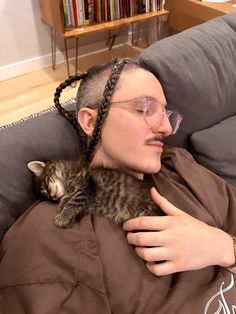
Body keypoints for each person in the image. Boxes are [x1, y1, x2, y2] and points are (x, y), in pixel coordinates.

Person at [0, 57, 236, 313]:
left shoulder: (179, 167)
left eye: (166, 114)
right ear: (90, 122)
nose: (167, 128)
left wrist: (225, 248)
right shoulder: (48, 238)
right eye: (144, 108)